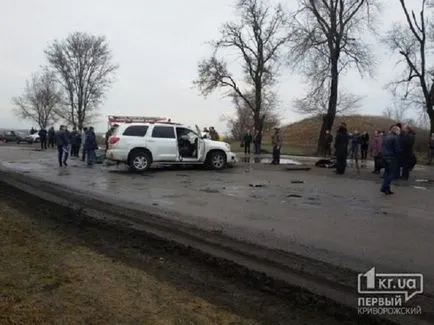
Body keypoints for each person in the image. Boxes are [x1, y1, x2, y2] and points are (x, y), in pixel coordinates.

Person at [380, 125, 401, 195]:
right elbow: (397, 149)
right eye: (399, 130)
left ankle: (387, 189)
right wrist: (398, 156)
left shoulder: (386, 137)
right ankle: (384, 187)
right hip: (392, 158)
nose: (399, 132)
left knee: (387, 173)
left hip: (385, 157)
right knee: (392, 174)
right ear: (396, 131)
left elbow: (382, 147)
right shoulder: (396, 138)